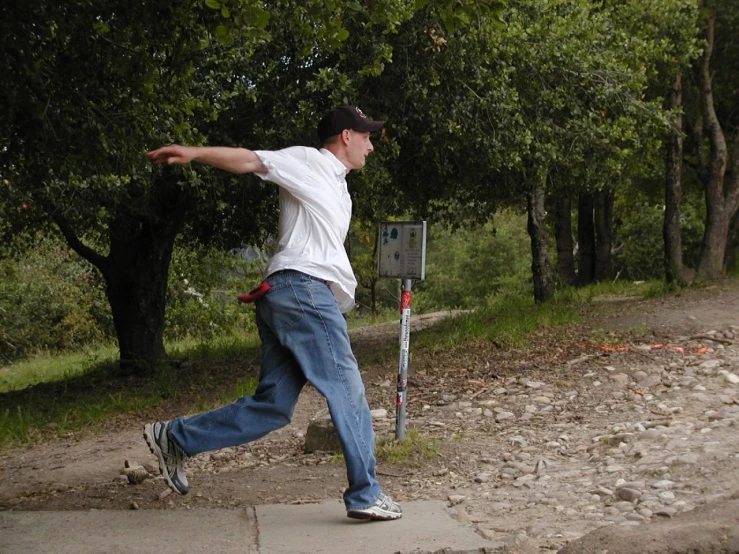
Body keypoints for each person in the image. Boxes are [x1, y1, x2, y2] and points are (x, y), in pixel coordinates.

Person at [143, 106, 402, 521]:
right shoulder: (310, 161)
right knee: (346, 388)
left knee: (275, 405)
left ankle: (175, 438)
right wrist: (194, 152)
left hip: (290, 296)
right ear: (345, 136)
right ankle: (365, 494)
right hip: (302, 290)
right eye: (366, 136)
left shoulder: (339, 187)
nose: (372, 145)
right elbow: (250, 159)